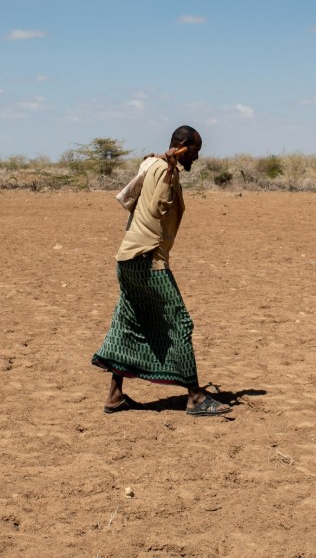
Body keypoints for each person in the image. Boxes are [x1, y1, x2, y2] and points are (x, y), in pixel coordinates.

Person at [91, 125, 231, 417]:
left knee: (130, 318)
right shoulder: (164, 170)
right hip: (148, 258)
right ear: (182, 147)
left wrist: (166, 165)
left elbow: (143, 180)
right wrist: (169, 173)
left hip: (127, 257)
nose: (196, 157)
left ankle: (115, 395)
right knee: (180, 322)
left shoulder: (152, 164)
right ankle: (194, 397)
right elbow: (158, 207)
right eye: (194, 151)